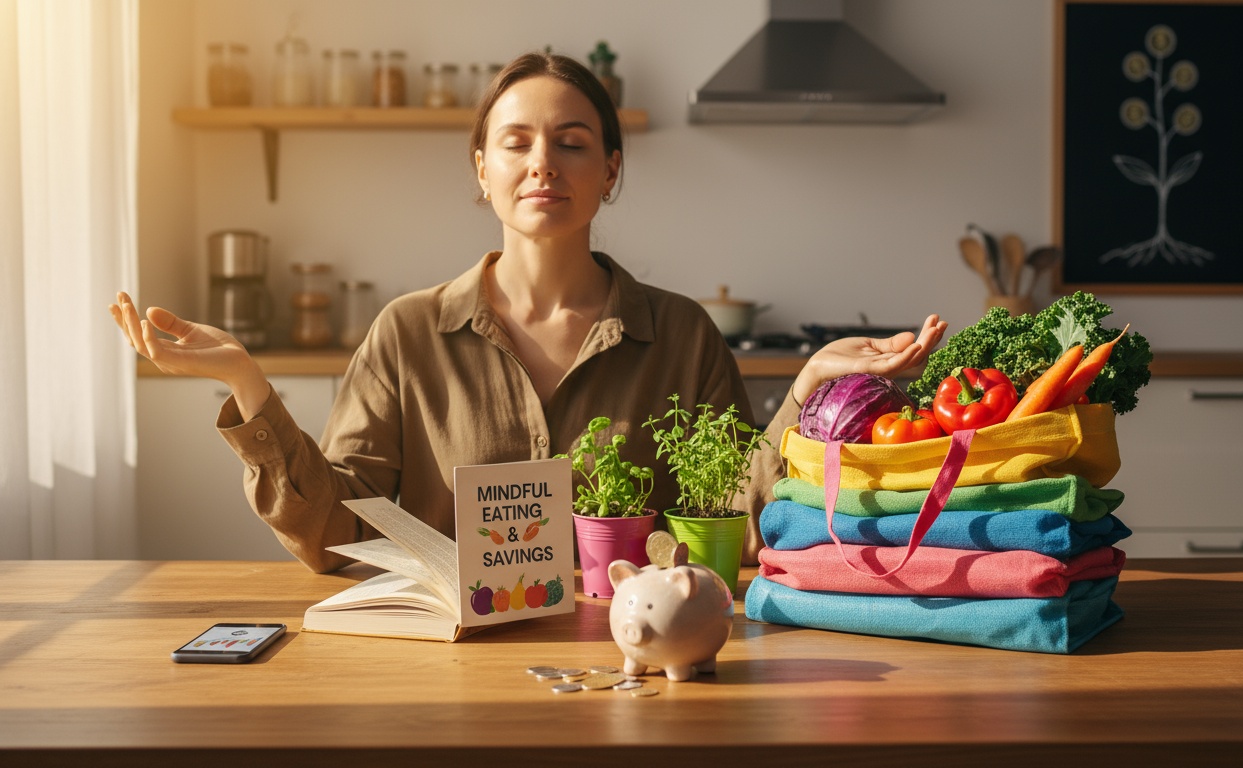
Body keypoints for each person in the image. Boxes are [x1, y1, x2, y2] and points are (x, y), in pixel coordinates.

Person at [110, 51, 945, 573]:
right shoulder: (406, 333)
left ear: (610, 171)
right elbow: (336, 535)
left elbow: (735, 522)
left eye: (573, 141)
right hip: (449, 684)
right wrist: (249, 386)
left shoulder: (682, 335)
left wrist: (807, 396)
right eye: (516, 141)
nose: (543, 161)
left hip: (641, 672)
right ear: (482, 168)